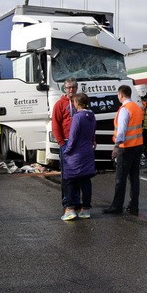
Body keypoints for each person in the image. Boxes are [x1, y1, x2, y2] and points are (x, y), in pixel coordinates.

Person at [103, 84, 144, 216]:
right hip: (138, 146)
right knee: (134, 178)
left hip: (126, 148)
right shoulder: (137, 108)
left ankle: (117, 206)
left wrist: (116, 147)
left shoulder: (124, 110)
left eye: (117, 94)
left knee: (120, 178)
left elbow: (121, 131)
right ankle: (134, 206)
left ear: (120, 94)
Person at [59, 92, 97, 220]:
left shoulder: (77, 117)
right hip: (88, 151)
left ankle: (69, 209)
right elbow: (92, 134)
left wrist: (67, 150)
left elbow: (73, 136)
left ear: (77, 103)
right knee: (85, 180)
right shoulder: (91, 116)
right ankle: (85, 209)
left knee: (69, 179)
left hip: (76, 152)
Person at [51, 78, 79, 212]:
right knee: (67, 175)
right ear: (64, 89)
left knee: (79, 174)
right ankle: (67, 203)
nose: (71, 90)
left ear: (77, 88)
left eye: (73, 87)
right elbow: (55, 125)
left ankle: (77, 201)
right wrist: (61, 143)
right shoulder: (59, 104)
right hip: (66, 142)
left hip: (80, 143)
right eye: (68, 88)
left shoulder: (81, 103)